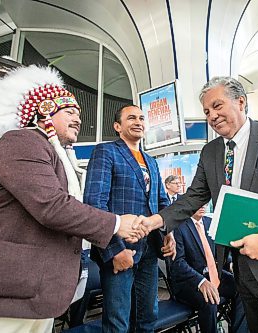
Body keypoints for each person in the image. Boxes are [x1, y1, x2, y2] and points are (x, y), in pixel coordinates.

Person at [0, 52, 144, 333]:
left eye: (79, 113)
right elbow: (51, 206)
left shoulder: (51, 153)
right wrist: (115, 224)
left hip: (28, 295)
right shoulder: (21, 141)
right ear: (44, 110)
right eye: (70, 111)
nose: (78, 118)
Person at [138, 77, 258, 332]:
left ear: (241, 101)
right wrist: (156, 221)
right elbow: (193, 197)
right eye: (207, 111)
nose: (212, 115)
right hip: (245, 276)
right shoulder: (211, 152)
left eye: (218, 106)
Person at [84, 104, 174, 333]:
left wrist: (168, 233)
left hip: (150, 251)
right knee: (117, 322)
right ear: (117, 126)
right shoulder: (106, 152)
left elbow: (162, 203)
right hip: (120, 251)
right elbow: (94, 206)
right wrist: (114, 251)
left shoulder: (151, 162)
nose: (138, 122)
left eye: (142, 118)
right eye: (131, 118)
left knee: (148, 317)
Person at [170, 205, 248, 333]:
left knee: (243, 288)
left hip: (213, 275)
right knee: (209, 299)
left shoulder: (210, 222)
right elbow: (178, 263)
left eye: (205, 203)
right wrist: (201, 281)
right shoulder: (179, 226)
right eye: (199, 203)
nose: (203, 206)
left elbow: (219, 252)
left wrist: (229, 264)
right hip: (190, 281)